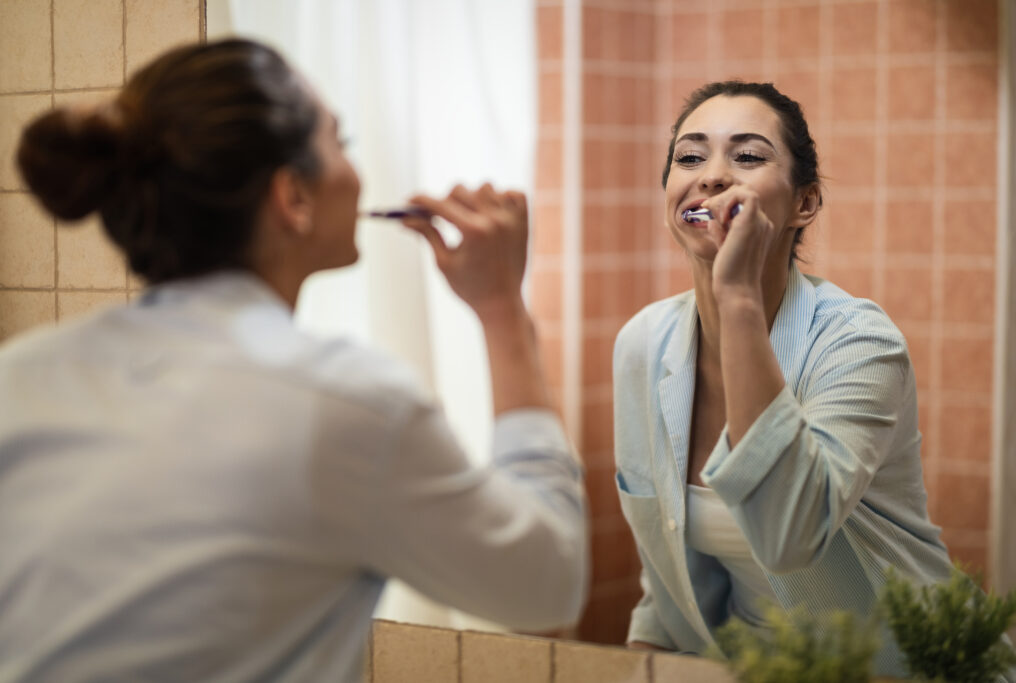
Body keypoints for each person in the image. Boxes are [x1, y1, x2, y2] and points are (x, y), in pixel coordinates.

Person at [0, 39, 587, 682]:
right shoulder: (344, 402)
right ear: (292, 198)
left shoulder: (20, 375)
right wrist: (502, 309)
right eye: (342, 141)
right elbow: (547, 586)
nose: (357, 171)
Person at [612, 80, 1016, 678]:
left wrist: (738, 300)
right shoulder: (642, 346)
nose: (712, 176)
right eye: (689, 157)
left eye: (748, 157)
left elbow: (787, 535)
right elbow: (669, 579)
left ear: (804, 203)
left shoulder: (857, 343)